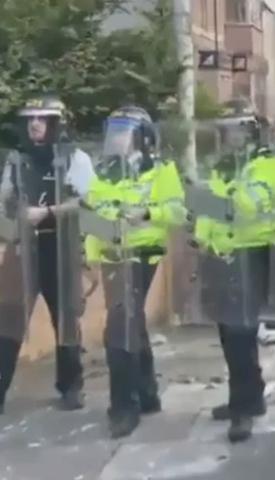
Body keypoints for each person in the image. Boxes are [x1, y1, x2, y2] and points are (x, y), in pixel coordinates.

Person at [0, 95, 95, 427]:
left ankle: (71, 385)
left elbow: (88, 202)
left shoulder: (75, 158)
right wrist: (0, 214)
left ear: (57, 124)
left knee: (66, 319)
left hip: (60, 245)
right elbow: (6, 201)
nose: (35, 124)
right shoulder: (16, 160)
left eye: (42, 119)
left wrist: (46, 212)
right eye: (30, 119)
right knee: (6, 321)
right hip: (22, 248)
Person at [80, 106, 185, 438]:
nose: (117, 141)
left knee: (119, 327)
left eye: (124, 133)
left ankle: (123, 407)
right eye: (113, 133)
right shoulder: (102, 173)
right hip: (112, 254)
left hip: (142, 253)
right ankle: (147, 393)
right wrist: (91, 256)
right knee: (131, 321)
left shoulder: (160, 170)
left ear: (143, 139)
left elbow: (178, 211)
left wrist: (147, 213)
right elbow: (91, 215)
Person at [188, 100, 275, 443]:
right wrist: (201, 239)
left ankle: (243, 410)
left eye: (237, 129)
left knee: (242, 334)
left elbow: (246, 204)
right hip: (221, 254)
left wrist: (221, 199)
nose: (231, 137)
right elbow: (206, 209)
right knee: (229, 334)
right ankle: (249, 397)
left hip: (251, 253)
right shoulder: (222, 167)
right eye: (226, 130)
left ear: (251, 130)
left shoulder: (267, 163)